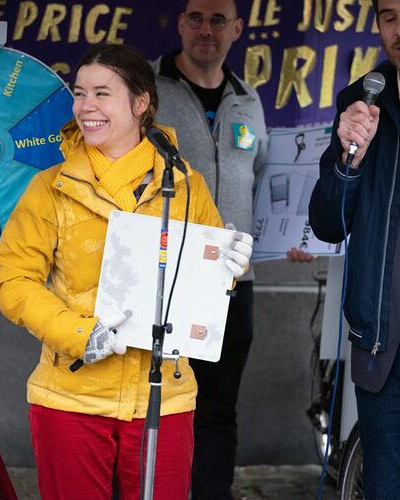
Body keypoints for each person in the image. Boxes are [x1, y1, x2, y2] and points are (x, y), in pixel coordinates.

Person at [0, 44, 254, 500]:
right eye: (79, 93)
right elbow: (13, 282)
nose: (85, 107)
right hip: (71, 396)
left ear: (141, 103)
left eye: (101, 93)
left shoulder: (185, 183)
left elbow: (207, 281)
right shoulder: (49, 188)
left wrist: (229, 265)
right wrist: (79, 333)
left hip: (164, 398)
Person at [153, 1, 314, 498]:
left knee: (218, 411)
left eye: (218, 20)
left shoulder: (249, 100)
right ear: (180, 24)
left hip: (232, 285)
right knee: (156, 408)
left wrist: (290, 239)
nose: (206, 30)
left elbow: (264, 185)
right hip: (166, 281)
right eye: (196, 18)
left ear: (237, 29)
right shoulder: (148, 92)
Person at [309, 0, 400, 497]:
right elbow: (328, 223)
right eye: (389, 16)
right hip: (383, 346)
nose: (398, 29)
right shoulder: (362, 104)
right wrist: (350, 164)